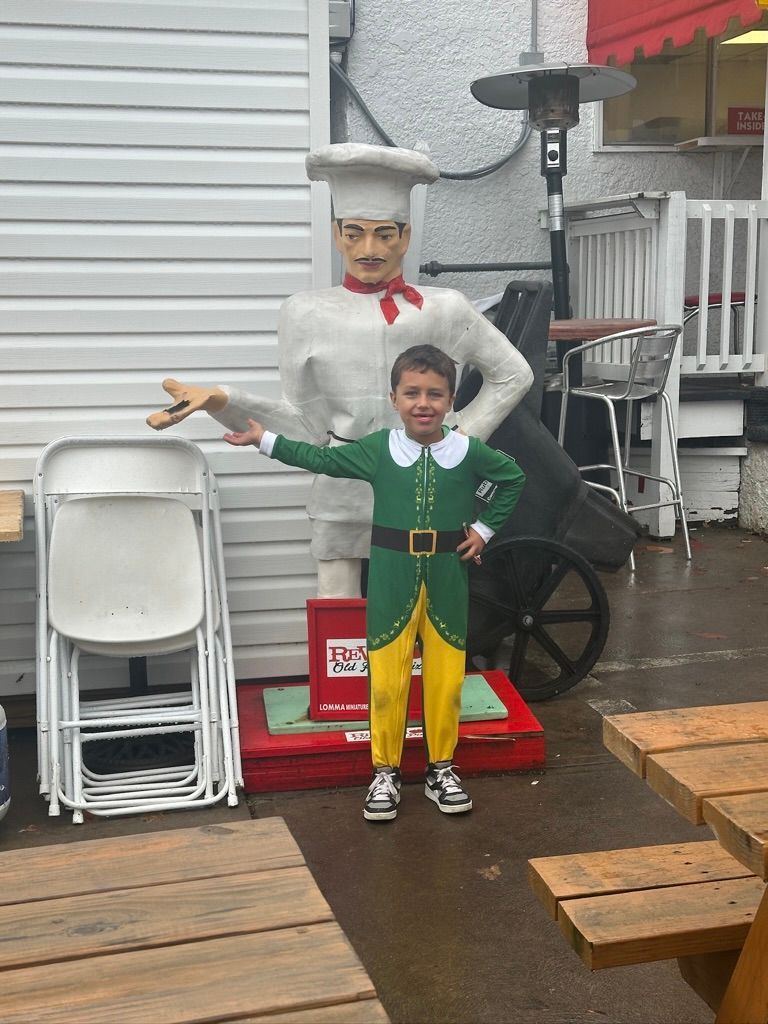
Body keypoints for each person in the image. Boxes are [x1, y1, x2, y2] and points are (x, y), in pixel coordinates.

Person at [147, 143, 533, 599]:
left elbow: (513, 374)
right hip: (343, 488)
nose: (369, 249)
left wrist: (459, 439)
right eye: (354, 233)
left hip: (427, 488)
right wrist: (223, 400)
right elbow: (304, 422)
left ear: (405, 237)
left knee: (429, 601)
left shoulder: (445, 308)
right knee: (337, 610)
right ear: (336, 235)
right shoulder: (304, 313)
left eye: (384, 235)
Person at [222, 344, 526, 822]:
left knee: (446, 681)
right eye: (412, 393)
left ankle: (441, 769)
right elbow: (321, 459)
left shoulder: (468, 450)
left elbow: (512, 478)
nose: (423, 403)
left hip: (448, 576)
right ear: (394, 398)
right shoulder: (379, 448)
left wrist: (484, 530)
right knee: (386, 680)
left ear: (450, 401)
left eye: (435, 394)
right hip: (390, 576)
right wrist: (265, 440)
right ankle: (384, 771)